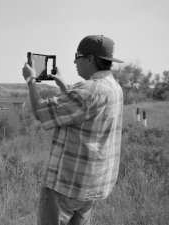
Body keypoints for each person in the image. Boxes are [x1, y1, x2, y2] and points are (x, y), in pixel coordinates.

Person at [22, 35, 124, 225]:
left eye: (77, 55)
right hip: (91, 185)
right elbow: (82, 109)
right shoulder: (114, 87)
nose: (74, 61)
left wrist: (31, 81)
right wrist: (62, 84)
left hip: (66, 185)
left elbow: (41, 112)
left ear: (90, 59)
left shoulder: (87, 90)